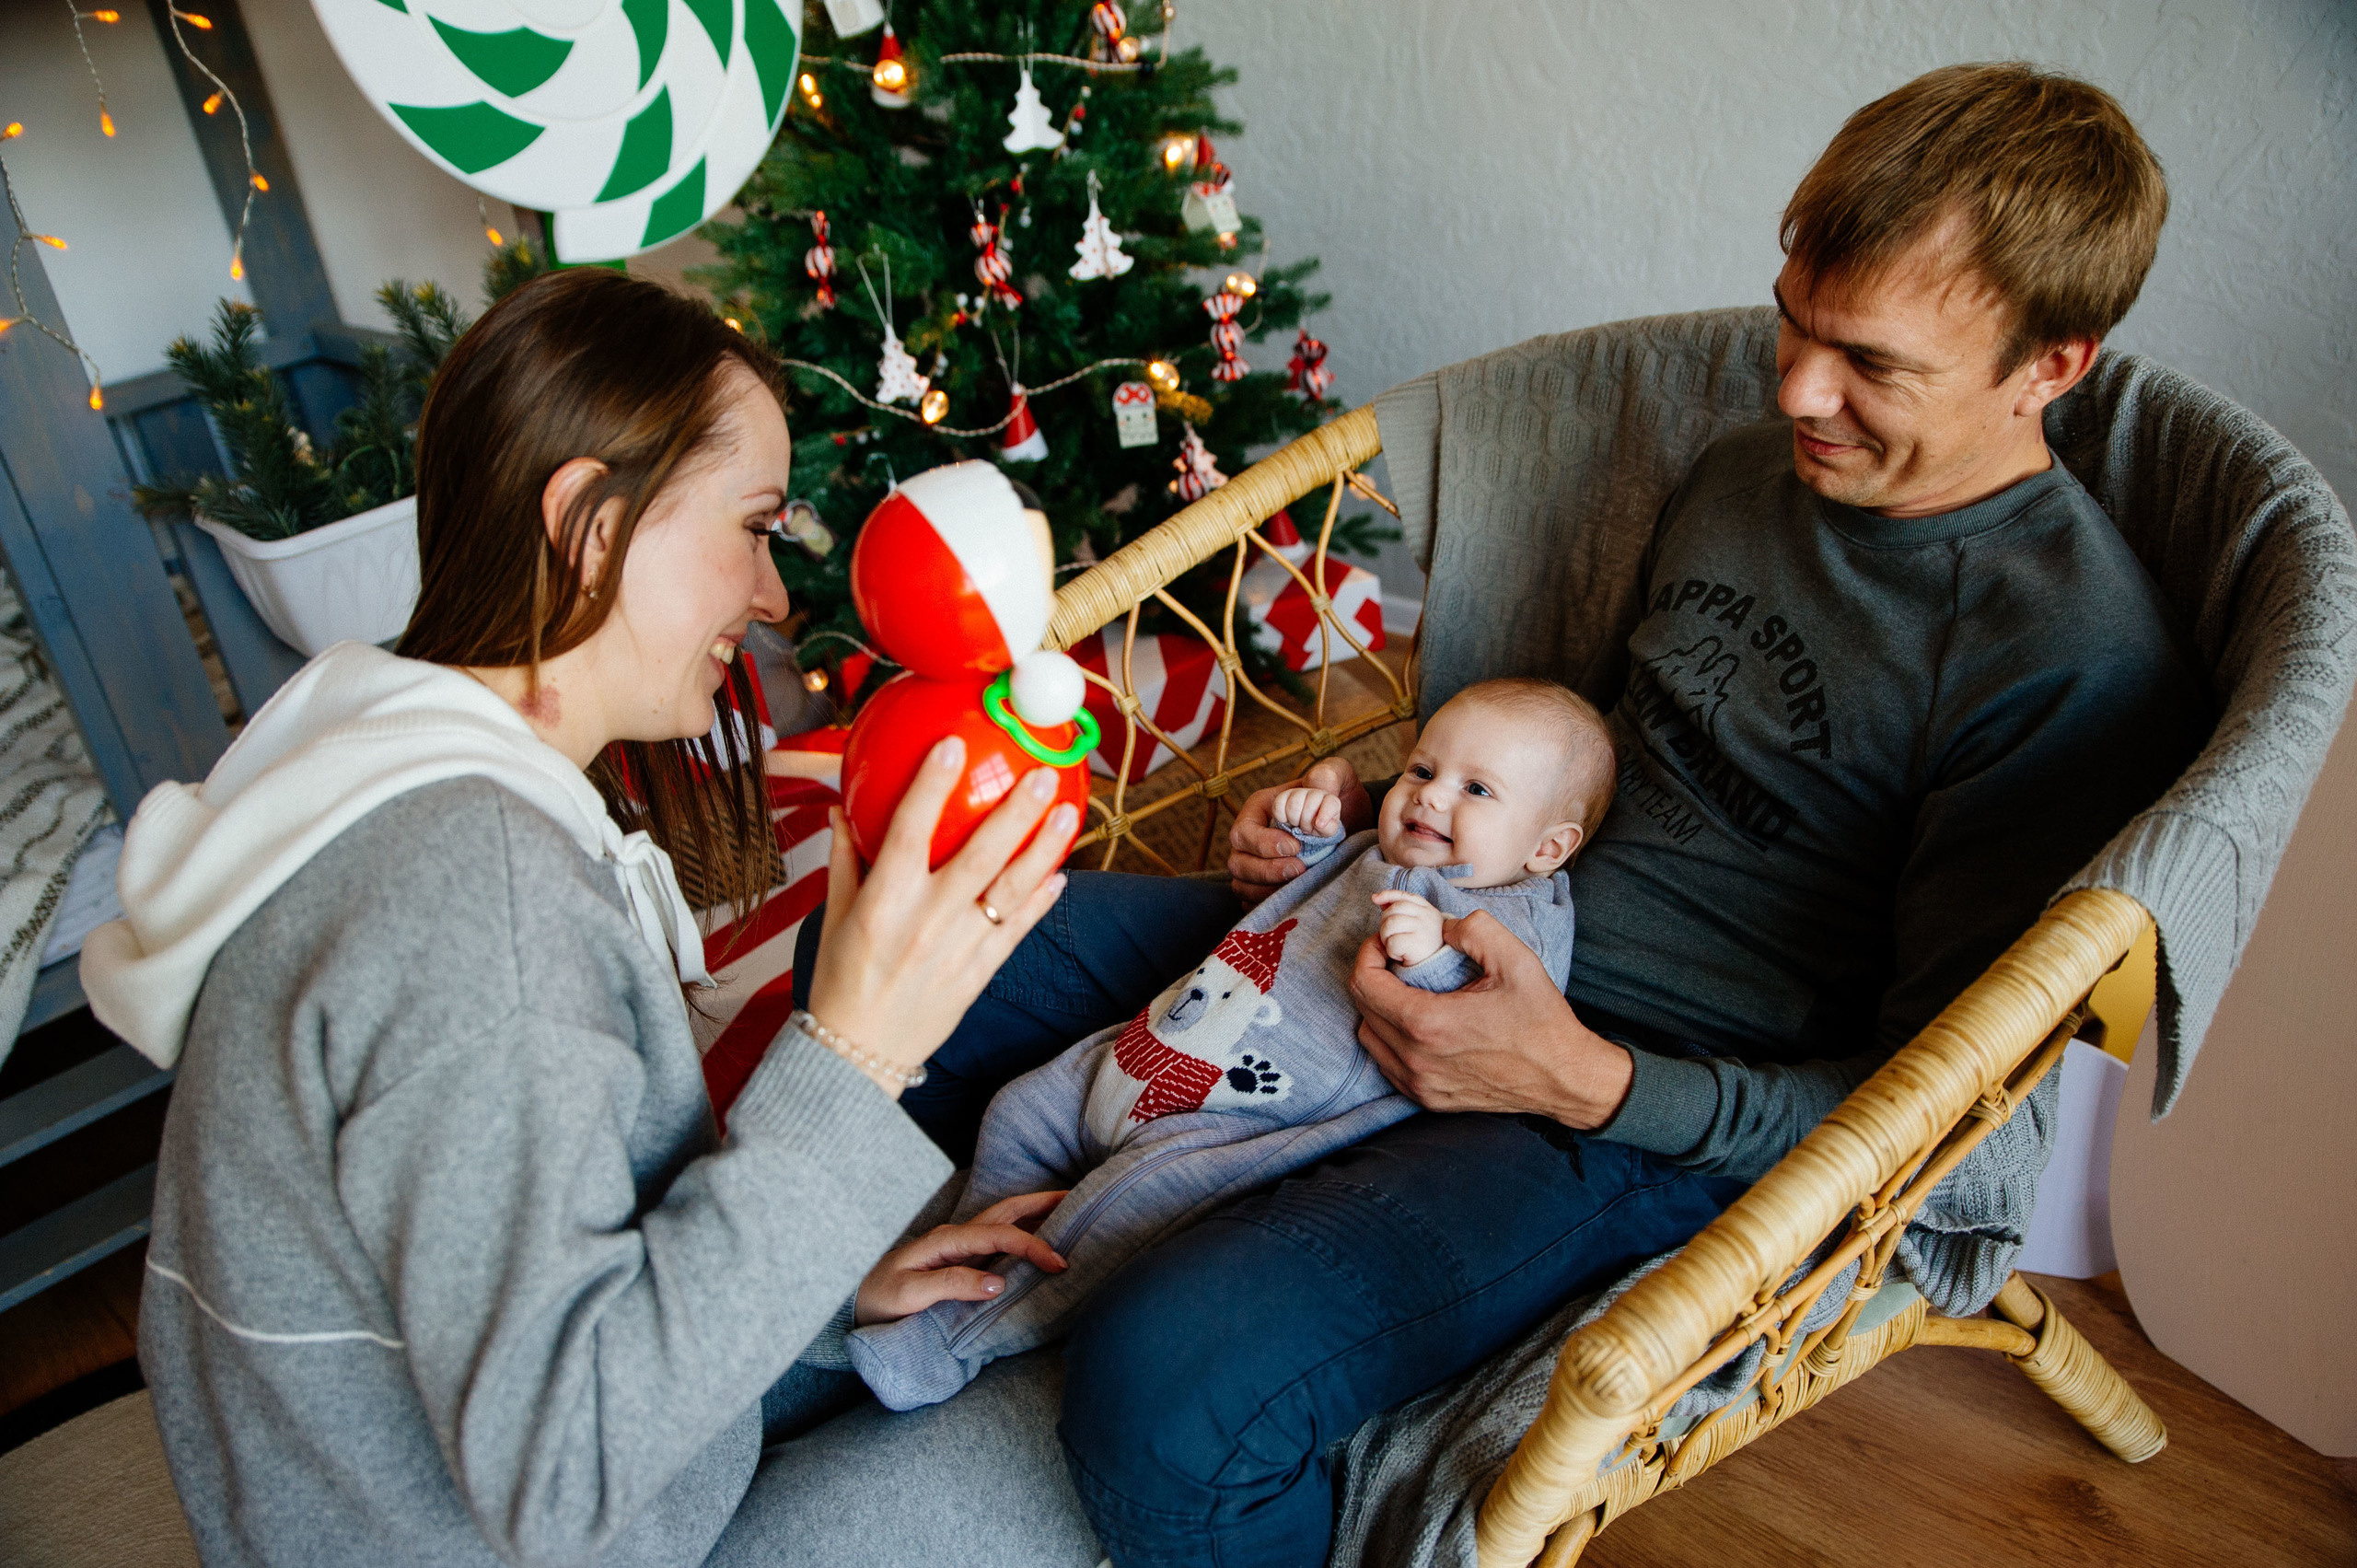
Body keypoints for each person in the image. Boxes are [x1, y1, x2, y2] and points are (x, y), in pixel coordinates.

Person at [782, 62, 2212, 1565]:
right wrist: (1373, 811)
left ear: (2051, 365)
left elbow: (1937, 1116)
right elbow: (1573, 751)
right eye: (1793, 319)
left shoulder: (2065, 660)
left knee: (1171, 1385)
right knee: (916, 928)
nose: (1795, 389)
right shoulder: (1745, 475)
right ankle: (765, 1339)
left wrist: (1582, 1078)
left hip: (1626, 1101)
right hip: (1404, 914)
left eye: (1870, 362)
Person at [84, 269, 1085, 1567]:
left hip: (437, 1476)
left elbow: (520, 1281)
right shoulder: (470, 894)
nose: (776, 595)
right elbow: (564, 1473)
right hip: (514, 1524)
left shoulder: (384, 768)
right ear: (589, 522)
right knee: (1079, 1424)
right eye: (753, 526)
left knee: (980, 1330)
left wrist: (826, 1300)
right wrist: (854, 1054)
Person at [843, 679, 1614, 1411]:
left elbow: (1495, 1013)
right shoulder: (1384, 851)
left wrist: (1434, 956)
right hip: (1167, 1041)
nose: (1430, 793)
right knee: (1020, 1108)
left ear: (1548, 847)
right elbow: (1296, 894)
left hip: (1239, 1121)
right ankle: (968, 1240)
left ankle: (957, 1337)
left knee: (1116, 1210)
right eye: (1424, 767)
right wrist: (1310, 833)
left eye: (1476, 790)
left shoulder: (1518, 913)